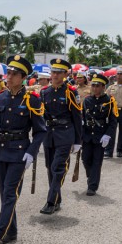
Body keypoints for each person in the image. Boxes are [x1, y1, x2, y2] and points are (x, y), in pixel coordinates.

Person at [0, 56, 46, 244]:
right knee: (5, 193)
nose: (9, 77)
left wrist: (31, 152)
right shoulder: (0, 98)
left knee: (10, 192)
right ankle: (12, 231)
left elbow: (41, 131)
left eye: (14, 74)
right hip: (1, 151)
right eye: (8, 73)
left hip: (19, 152)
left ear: (23, 77)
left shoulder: (32, 100)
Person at [39, 58, 82, 215]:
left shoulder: (70, 92)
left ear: (65, 74)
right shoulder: (44, 92)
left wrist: (78, 141)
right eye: (53, 72)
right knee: (50, 168)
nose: (55, 75)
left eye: (58, 72)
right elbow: (41, 116)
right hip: (49, 134)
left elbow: (77, 117)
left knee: (57, 167)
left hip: (65, 133)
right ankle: (57, 199)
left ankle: (50, 201)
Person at [82, 74, 118, 196]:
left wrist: (108, 135)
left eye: (97, 86)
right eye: (93, 85)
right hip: (87, 135)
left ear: (103, 87)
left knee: (97, 161)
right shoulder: (87, 100)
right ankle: (91, 177)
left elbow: (113, 121)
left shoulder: (109, 101)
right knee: (86, 159)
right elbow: (82, 118)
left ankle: (92, 186)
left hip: (100, 135)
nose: (94, 88)